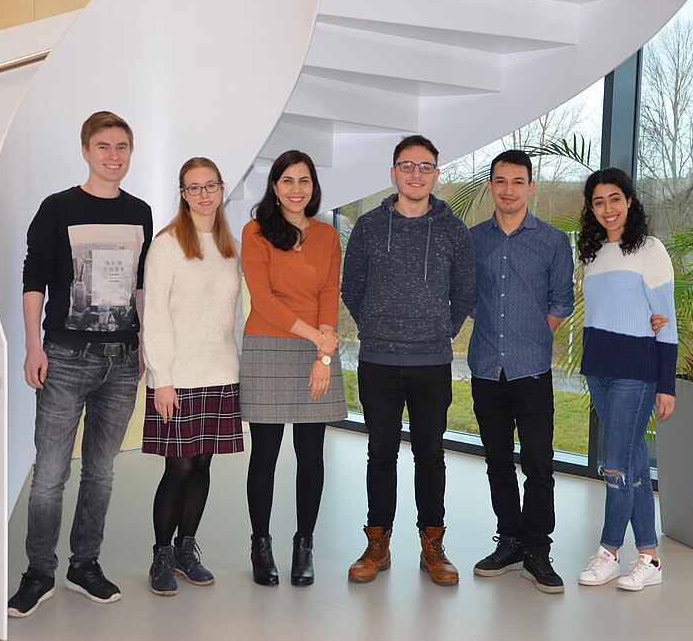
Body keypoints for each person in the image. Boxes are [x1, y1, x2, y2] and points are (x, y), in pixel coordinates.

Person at [9, 111, 153, 617]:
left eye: (122, 147)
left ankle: (84, 565)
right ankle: (38, 572)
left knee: (101, 473)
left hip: (122, 361)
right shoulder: (58, 208)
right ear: (86, 151)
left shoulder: (140, 212)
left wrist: (144, 344)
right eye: (104, 146)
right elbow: (34, 279)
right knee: (50, 474)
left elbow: (139, 286)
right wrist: (33, 346)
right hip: (65, 359)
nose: (114, 156)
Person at [342, 134, 476, 586]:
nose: (416, 174)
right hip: (378, 359)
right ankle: (376, 545)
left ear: (436, 174)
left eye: (425, 166)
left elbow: (464, 292)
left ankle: (432, 547)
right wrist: (374, 326)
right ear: (393, 172)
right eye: (407, 165)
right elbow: (351, 287)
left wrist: (439, 331)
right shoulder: (368, 227)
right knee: (380, 453)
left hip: (431, 360)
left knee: (430, 454)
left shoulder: (454, 230)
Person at [467, 150, 574, 593]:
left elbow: (562, 302)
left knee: (538, 464)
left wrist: (531, 336)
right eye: (500, 181)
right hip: (485, 369)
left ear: (531, 187)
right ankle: (509, 540)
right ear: (490, 186)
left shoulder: (552, 241)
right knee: (497, 462)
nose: (508, 189)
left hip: (531, 370)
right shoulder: (473, 240)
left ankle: (537, 549)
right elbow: (466, 296)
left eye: (517, 181)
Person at [240, 150, 347, 587]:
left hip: (315, 348)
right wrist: (316, 339)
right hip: (268, 345)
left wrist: (323, 355)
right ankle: (260, 545)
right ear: (274, 186)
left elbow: (329, 292)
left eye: (304, 181)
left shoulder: (327, 235)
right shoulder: (255, 232)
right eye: (287, 180)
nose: (296, 189)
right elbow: (263, 299)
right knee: (265, 455)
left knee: (310, 453)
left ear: (313, 187)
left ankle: (304, 545)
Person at [141, 157, 244, 596]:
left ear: (221, 189)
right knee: (178, 467)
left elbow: (234, 314)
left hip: (220, 371)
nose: (204, 195)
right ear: (183, 194)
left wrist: (240, 365)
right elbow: (154, 315)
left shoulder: (231, 246)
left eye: (211, 186)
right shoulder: (167, 245)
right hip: (177, 377)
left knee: (203, 464)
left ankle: (186, 550)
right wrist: (161, 377)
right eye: (194, 187)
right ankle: (161, 556)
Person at [575, 167, 677, 592]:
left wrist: (667, 384)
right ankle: (650, 558)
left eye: (615, 199)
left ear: (630, 201)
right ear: (591, 208)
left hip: (636, 371)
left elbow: (666, 319)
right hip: (598, 368)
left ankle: (609, 552)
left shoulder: (650, 249)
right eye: (598, 202)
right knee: (632, 461)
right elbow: (600, 312)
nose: (608, 209)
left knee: (614, 464)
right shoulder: (593, 252)